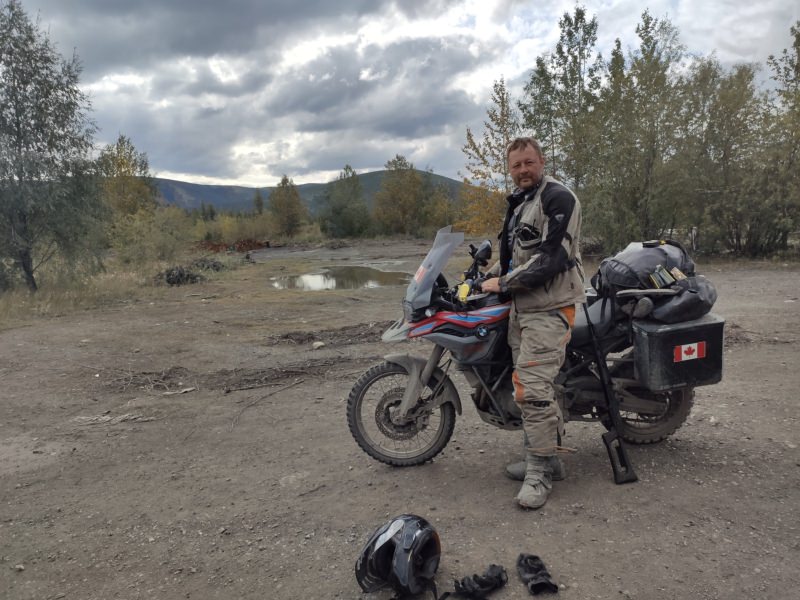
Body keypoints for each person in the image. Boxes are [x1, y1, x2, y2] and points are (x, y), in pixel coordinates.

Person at [481, 137, 585, 509]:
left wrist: (504, 283)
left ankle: (539, 473)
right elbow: (517, 256)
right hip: (523, 309)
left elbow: (552, 257)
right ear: (509, 169)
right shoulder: (522, 201)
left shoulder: (558, 198)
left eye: (528, 163)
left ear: (541, 161)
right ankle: (547, 457)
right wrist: (484, 277)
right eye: (516, 165)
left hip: (551, 307)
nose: (523, 170)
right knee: (534, 386)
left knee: (533, 387)